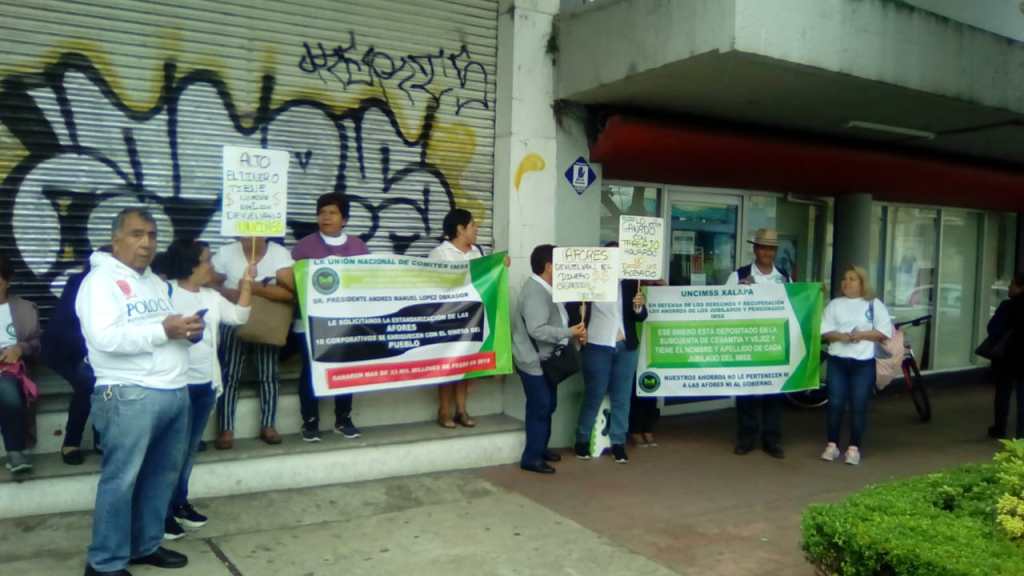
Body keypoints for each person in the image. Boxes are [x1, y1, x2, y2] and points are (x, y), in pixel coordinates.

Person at [79, 207, 204, 575]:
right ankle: (104, 563)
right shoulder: (99, 283)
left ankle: (145, 545)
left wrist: (188, 331)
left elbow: (161, 328)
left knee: (160, 476)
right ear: (116, 238)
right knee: (121, 482)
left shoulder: (152, 281)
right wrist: (164, 331)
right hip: (128, 393)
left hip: (173, 390)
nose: (146, 242)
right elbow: (104, 339)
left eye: (151, 234)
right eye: (136, 234)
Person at [161, 239, 252, 539]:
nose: (212, 266)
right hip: (176, 386)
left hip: (205, 384)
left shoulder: (211, 297)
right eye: (207, 261)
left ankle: (178, 503)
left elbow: (239, 317)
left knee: (188, 452)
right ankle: (160, 512)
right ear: (191, 265)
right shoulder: (165, 293)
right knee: (170, 452)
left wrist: (247, 284)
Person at [279, 192, 369, 442]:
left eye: (332, 212)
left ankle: (343, 419)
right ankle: (310, 422)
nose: (326, 217)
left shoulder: (358, 247)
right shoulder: (305, 246)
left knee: (345, 370)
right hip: (308, 323)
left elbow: (367, 283)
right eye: (322, 212)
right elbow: (291, 280)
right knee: (310, 372)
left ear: (345, 219)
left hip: (346, 322)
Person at [210, 236, 293, 449]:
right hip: (233, 318)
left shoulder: (279, 253)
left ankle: (269, 425)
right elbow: (210, 282)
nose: (252, 233)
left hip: (266, 320)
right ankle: (226, 428)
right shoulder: (226, 252)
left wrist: (253, 288)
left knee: (268, 374)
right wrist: (228, 293)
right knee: (230, 373)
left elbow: (292, 292)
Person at [568, 242, 647, 464]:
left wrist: (639, 306)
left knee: (622, 397)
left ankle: (618, 443)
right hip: (597, 344)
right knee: (594, 392)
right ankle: (582, 439)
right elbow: (575, 311)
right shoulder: (590, 282)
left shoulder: (631, 283)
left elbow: (640, 317)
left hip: (625, 346)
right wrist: (579, 317)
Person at [511, 244, 587, 474]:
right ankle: (532, 457)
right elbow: (537, 329)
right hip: (534, 361)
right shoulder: (536, 292)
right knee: (541, 406)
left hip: (544, 360)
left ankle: (540, 448)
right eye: (561, 264)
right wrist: (569, 333)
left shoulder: (546, 288)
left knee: (547, 404)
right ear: (549, 266)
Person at [428, 208, 502, 428]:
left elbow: (486, 277)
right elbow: (432, 285)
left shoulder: (475, 253)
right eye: (472, 225)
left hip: (472, 317)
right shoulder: (441, 254)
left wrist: (500, 266)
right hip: (448, 318)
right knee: (448, 365)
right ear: (460, 229)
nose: (476, 230)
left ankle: (461, 409)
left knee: (466, 365)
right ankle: (444, 411)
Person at [725, 228, 791, 459]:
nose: (766, 252)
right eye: (763, 247)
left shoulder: (784, 277)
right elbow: (723, 304)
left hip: (774, 341)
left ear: (775, 251)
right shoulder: (739, 275)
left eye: (770, 248)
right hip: (747, 340)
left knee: (774, 391)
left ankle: (772, 440)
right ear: (755, 249)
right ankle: (746, 438)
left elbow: (793, 307)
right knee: (746, 391)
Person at [820, 266, 892, 466]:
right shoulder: (835, 305)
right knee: (835, 403)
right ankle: (832, 445)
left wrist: (861, 335)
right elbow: (825, 332)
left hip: (863, 363)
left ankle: (854, 448)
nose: (846, 282)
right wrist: (842, 336)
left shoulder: (874, 304)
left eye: (852, 279)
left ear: (862, 283)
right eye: (845, 278)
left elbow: (884, 332)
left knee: (859, 405)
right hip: (838, 361)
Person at [43, 250, 106, 466]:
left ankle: (102, 438)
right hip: (64, 351)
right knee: (88, 383)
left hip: (93, 351)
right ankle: (71, 442)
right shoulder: (81, 283)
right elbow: (66, 328)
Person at [0, 253, 41, 474]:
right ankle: (17, 451)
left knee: (7, 387)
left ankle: (15, 453)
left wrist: (19, 348)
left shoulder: (25, 308)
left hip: (13, 371)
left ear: (8, 281)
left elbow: (37, 344)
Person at [986, 273, 1024, 440]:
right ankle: (1021, 435)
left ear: (1020, 287)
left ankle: (999, 428)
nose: (1009, 288)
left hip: (1007, 357)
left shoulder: (1007, 306)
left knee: (1003, 393)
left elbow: (993, 329)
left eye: (1012, 285)